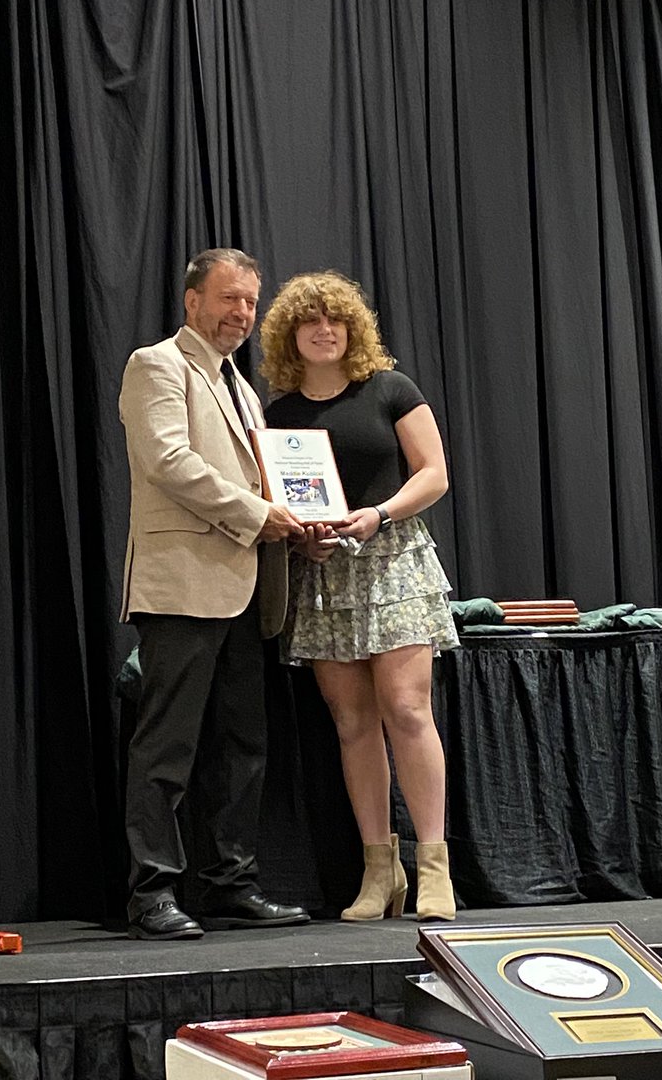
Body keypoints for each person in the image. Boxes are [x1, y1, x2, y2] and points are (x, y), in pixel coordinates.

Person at [119, 247, 310, 940]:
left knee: (241, 746)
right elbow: (169, 461)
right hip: (181, 586)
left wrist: (295, 524)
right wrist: (261, 515)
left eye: (251, 303)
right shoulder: (157, 365)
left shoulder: (242, 386)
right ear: (191, 300)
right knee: (166, 748)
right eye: (229, 299)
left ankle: (231, 883)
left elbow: (265, 480)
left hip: (248, 586)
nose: (242, 314)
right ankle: (151, 894)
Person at [260, 270, 459, 922]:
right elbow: (276, 504)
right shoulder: (277, 413)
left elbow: (433, 475)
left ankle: (434, 868)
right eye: (310, 321)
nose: (324, 330)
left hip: (393, 560)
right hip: (324, 577)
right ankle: (380, 871)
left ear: (352, 328)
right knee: (351, 723)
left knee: (407, 709)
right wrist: (302, 539)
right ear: (292, 335)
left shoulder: (390, 389)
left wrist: (380, 515)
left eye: (335, 320)